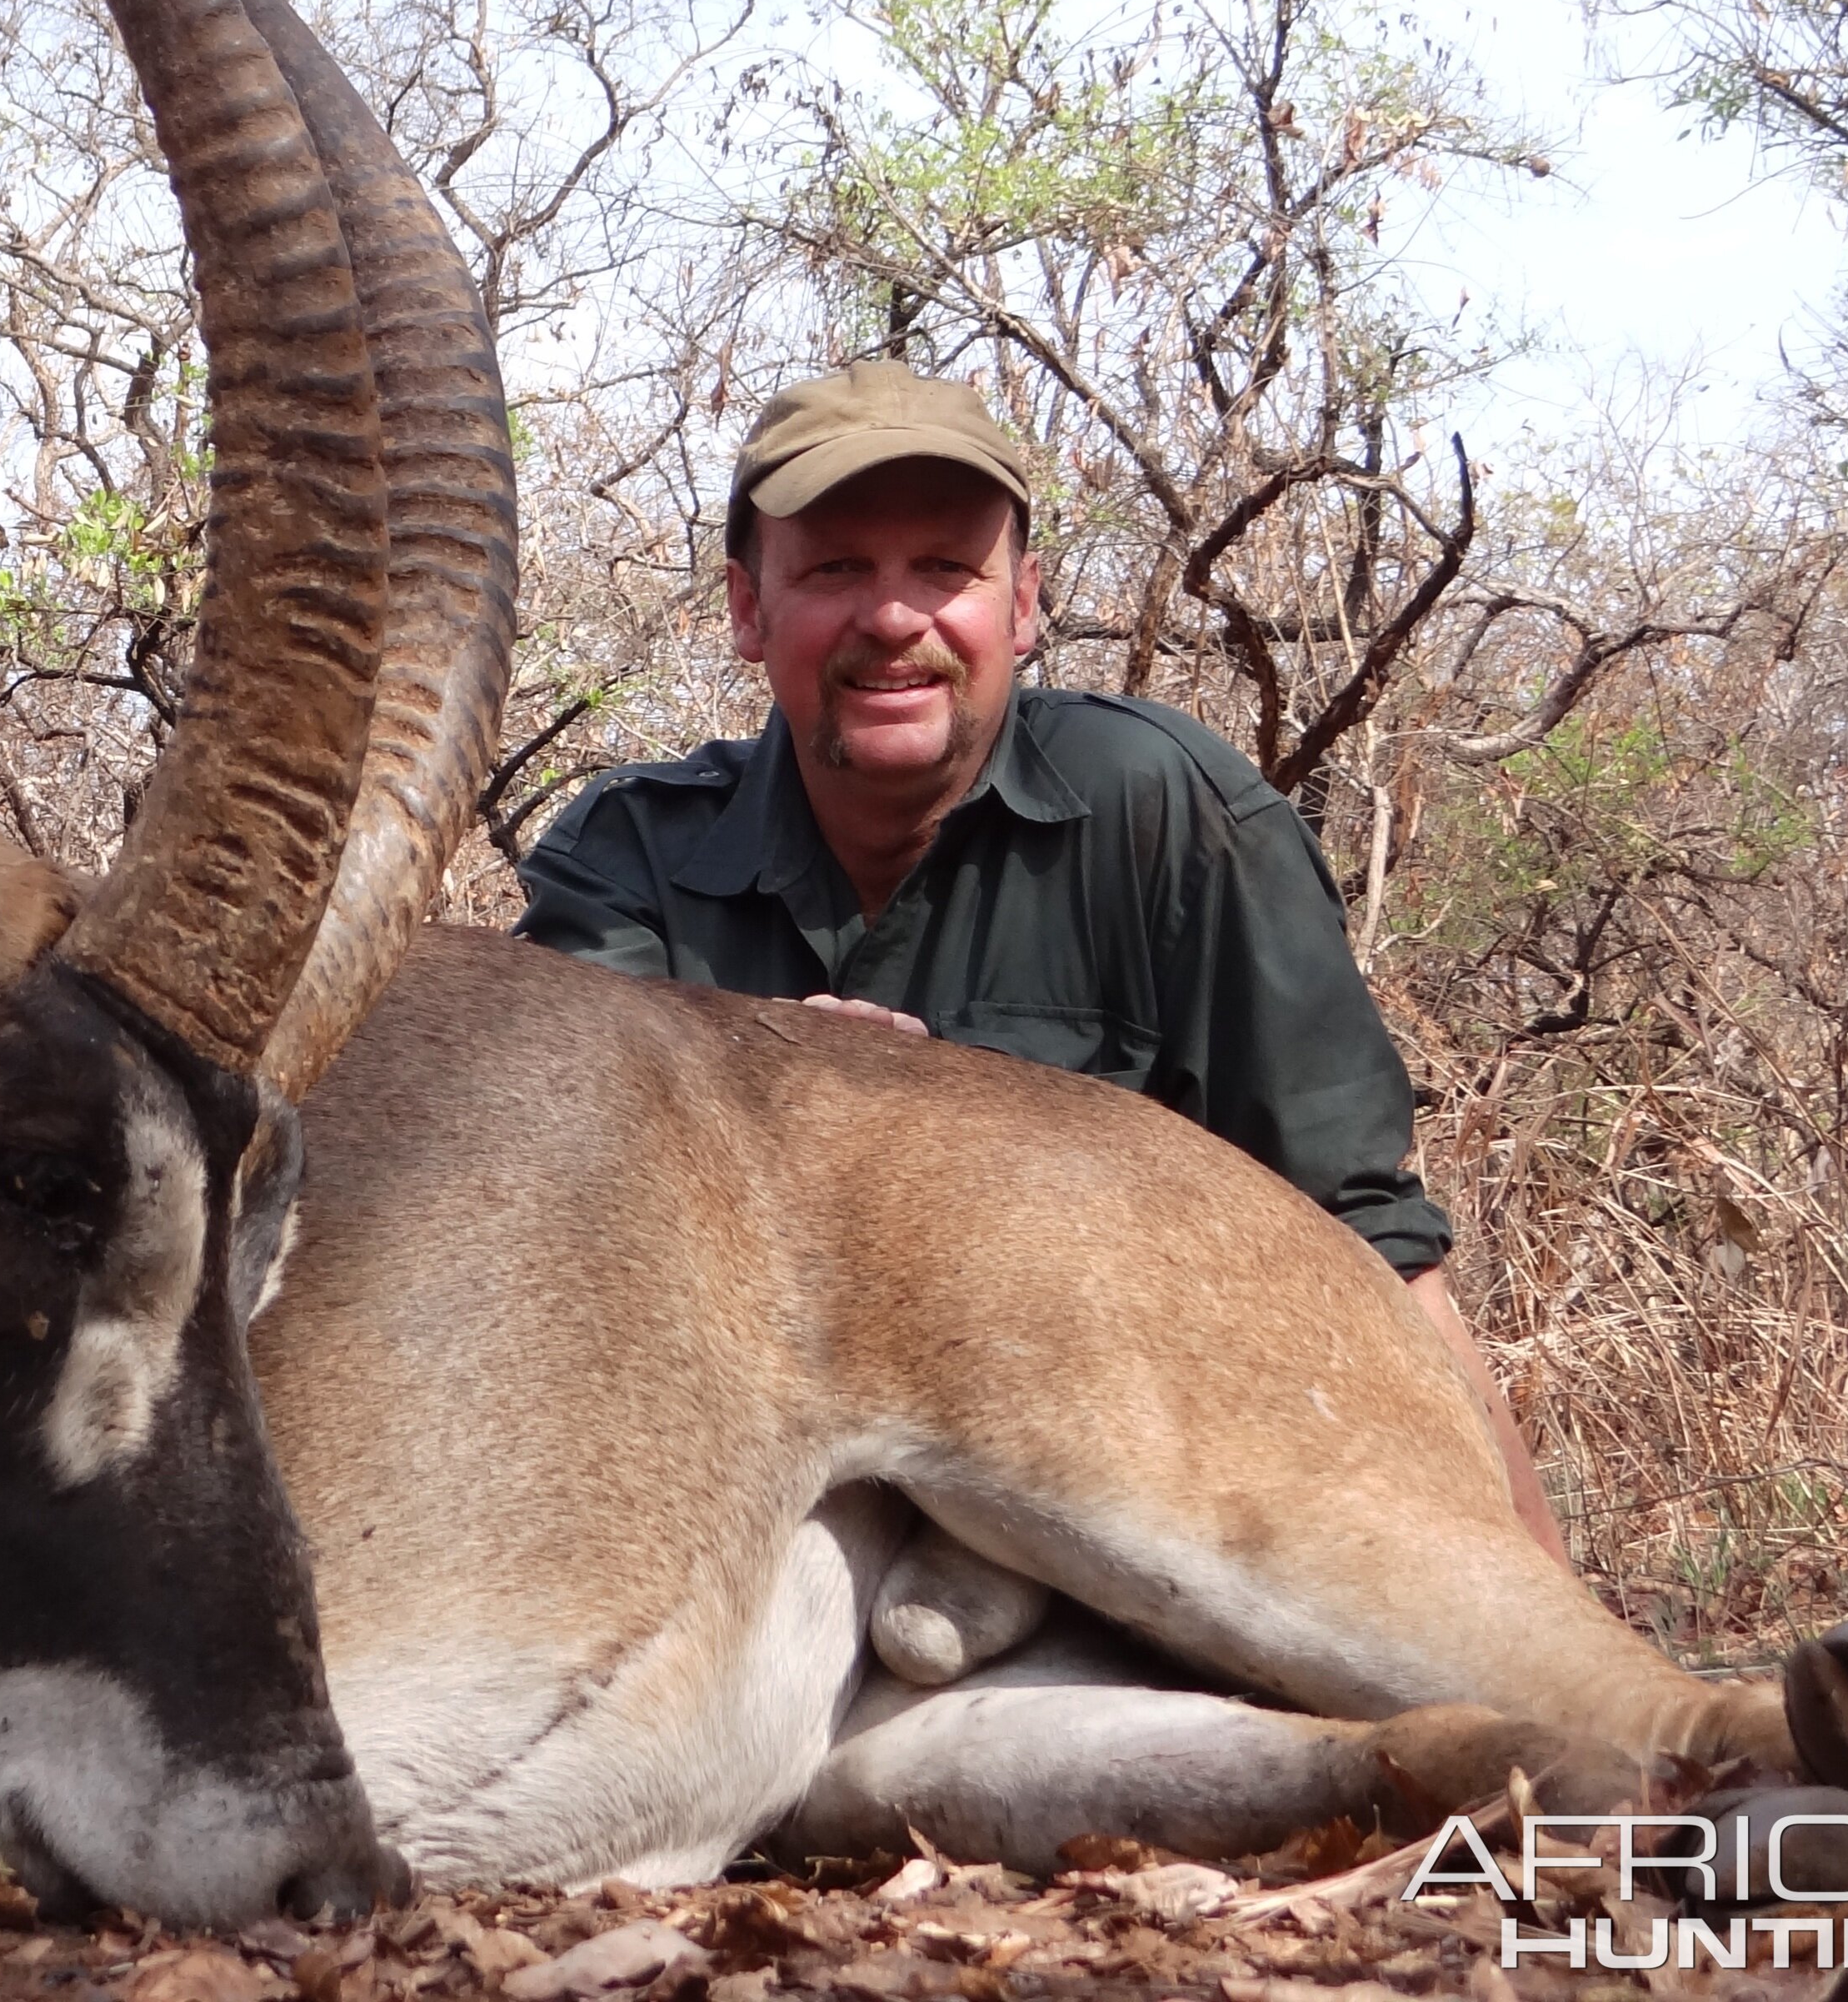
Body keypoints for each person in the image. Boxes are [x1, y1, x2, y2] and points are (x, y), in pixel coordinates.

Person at [516, 357, 1566, 1560]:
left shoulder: (1171, 812)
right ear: (750, 612)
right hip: (746, 1505)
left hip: (1132, 1479)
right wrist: (788, 1110)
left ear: (1022, 606)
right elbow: (569, 1251)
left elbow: (1376, 1254)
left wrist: (1563, 1639)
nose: (895, 619)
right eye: (837, 568)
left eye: (945, 570)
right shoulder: (629, 852)